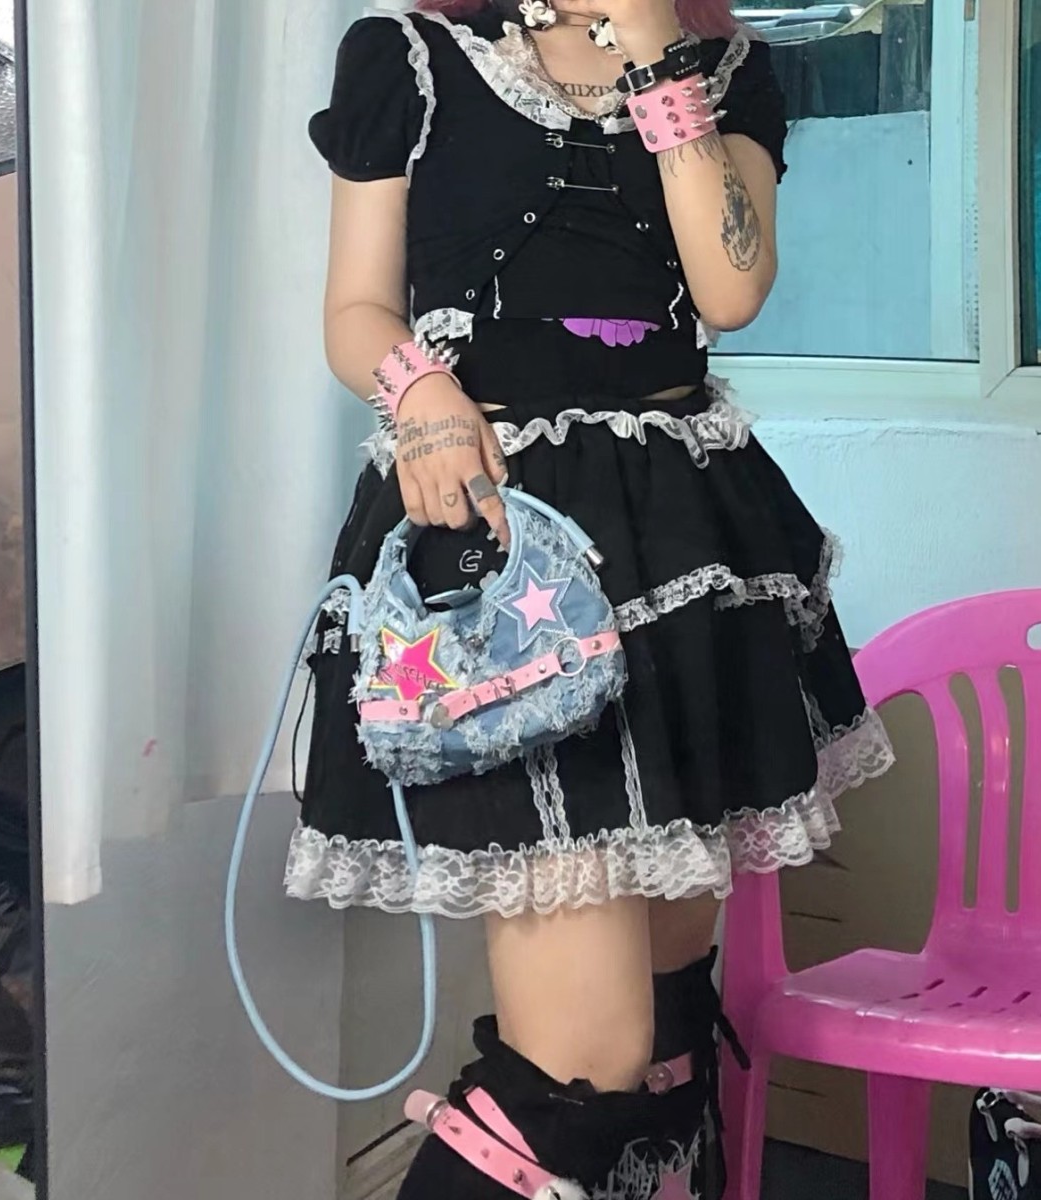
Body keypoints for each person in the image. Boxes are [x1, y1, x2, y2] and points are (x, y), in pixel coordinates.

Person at [291, 0, 894, 1194]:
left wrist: (657, 48)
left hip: (686, 549)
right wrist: (419, 391)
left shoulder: (725, 71)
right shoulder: (411, 58)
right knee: (584, 1060)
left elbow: (730, 291)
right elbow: (356, 309)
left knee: (666, 1031)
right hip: (502, 548)